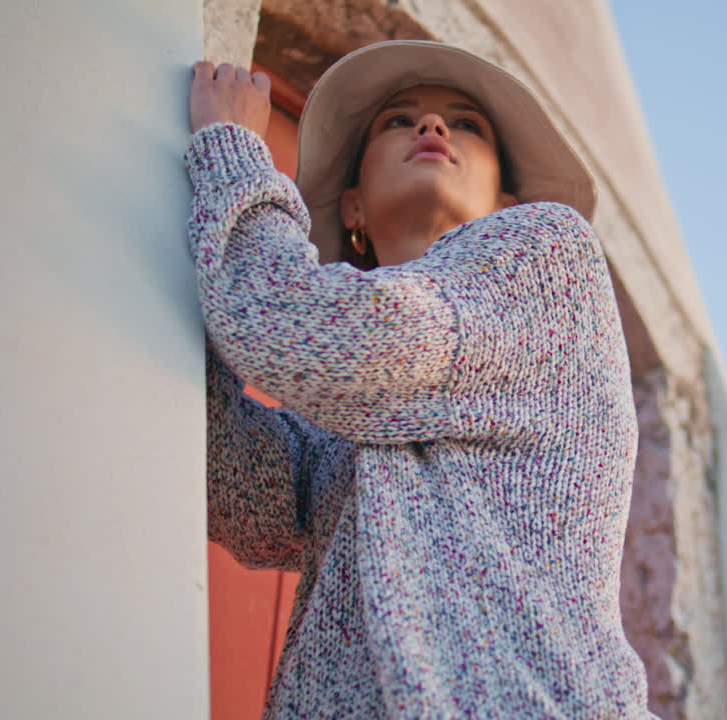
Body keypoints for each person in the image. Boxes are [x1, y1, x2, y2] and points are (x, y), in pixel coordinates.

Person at [186, 40, 652, 718]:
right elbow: (234, 489)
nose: (432, 128)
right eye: (397, 121)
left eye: (467, 124)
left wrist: (229, 154)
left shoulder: (550, 260)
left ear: (508, 204)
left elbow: (302, 328)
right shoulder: (359, 421)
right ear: (352, 210)